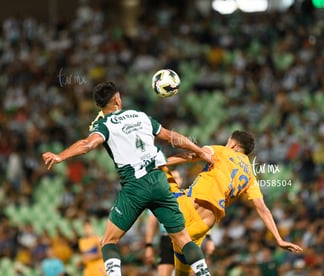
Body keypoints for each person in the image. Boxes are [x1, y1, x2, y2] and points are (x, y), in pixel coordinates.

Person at [42, 81, 213, 276]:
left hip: (135, 187)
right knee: (183, 239)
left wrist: (60, 156)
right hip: (159, 182)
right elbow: (172, 137)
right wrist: (201, 151)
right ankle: (204, 273)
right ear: (116, 99)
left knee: (108, 241)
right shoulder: (141, 116)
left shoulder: (104, 125)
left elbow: (87, 145)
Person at [164, 130, 304, 275]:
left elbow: (192, 155)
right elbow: (262, 208)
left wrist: (163, 162)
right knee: (182, 268)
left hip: (189, 205)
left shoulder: (222, 151)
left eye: (228, 142)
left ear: (233, 144)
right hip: (205, 224)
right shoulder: (250, 175)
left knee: (157, 168)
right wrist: (279, 239)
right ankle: (202, 270)